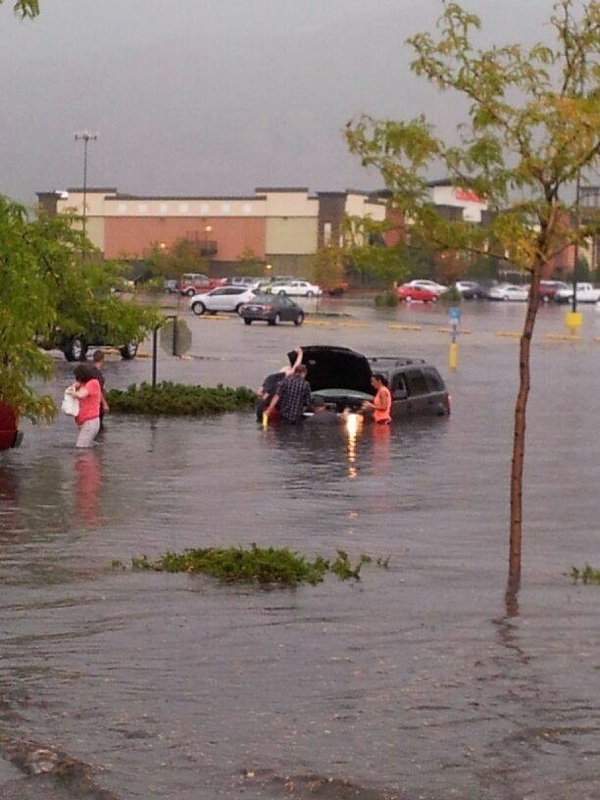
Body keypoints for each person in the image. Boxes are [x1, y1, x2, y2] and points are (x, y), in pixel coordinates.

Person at [255, 346, 303, 422]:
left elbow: (259, 392)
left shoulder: (270, 377)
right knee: (274, 430)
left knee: (264, 428)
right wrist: (300, 354)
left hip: (260, 407)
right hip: (271, 410)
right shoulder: (284, 378)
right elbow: (295, 368)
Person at [64, 363, 102, 448]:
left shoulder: (93, 383)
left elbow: (81, 395)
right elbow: (74, 386)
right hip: (84, 421)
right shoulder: (84, 384)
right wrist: (73, 387)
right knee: (87, 446)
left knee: (81, 448)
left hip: (90, 421)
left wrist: (73, 393)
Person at [89, 350, 109, 433]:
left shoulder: (90, 372)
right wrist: (105, 403)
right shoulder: (97, 375)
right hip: (97, 406)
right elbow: (98, 390)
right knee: (99, 428)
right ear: (102, 360)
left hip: (91, 406)